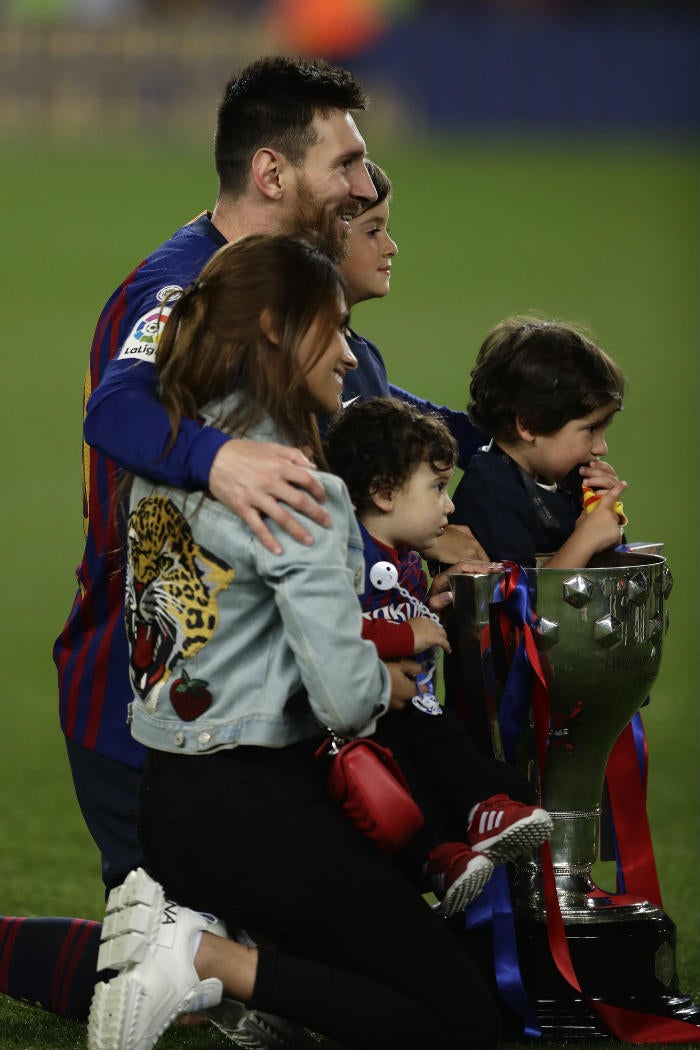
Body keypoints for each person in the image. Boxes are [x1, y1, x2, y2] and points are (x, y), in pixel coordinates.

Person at [54, 54, 487, 897]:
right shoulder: (181, 287)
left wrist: (506, 443)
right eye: (347, 165)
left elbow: (373, 410)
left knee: (298, 960)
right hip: (150, 692)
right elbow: (116, 411)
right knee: (190, 963)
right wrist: (221, 456)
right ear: (271, 171)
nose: (365, 190)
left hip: (263, 688)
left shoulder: (295, 293)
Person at [87, 233, 503, 1050]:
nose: (350, 355)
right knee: (461, 1025)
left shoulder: (179, 449)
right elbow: (346, 698)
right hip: (261, 806)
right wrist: (390, 677)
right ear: (277, 328)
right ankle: (204, 958)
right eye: (335, 327)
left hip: (170, 798)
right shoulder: (294, 485)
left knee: (396, 976)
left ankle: (249, 986)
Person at [324, 397, 553, 918]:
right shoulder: (343, 551)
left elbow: (387, 614)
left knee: (447, 762)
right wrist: (409, 635)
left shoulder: (402, 555)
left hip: (404, 706)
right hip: (359, 719)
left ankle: (447, 853)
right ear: (383, 493)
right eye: (436, 489)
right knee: (423, 757)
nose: (449, 508)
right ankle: (475, 816)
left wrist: (427, 610)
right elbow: (330, 630)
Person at [449, 316, 628, 567]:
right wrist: (586, 539)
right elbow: (518, 603)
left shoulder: (570, 481)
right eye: (590, 430)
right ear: (529, 425)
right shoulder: (490, 491)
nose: (601, 448)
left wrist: (605, 520)